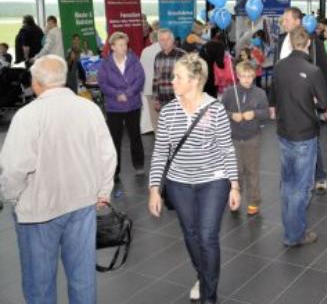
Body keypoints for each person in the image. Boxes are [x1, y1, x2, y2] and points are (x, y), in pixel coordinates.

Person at [0, 55, 116, 304]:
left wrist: (13, 197)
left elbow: (14, 168)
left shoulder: (27, 116)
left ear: (37, 82)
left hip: (38, 211)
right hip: (82, 205)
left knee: (39, 284)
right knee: (83, 279)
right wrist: (103, 191)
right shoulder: (89, 108)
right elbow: (107, 155)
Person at [148, 53, 240, 304]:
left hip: (213, 180)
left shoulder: (216, 109)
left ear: (195, 80)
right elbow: (160, 152)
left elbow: (226, 148)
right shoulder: (168, 112)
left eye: (178, 76)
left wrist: (234, 185)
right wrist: (154, 189)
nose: (172, 81)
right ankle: (203, 274)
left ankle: (210, 296)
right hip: (179, 183)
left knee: (207, 236)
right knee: (190, 233)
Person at [270, 27, 327, 247]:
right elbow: (324, 103)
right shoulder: (312, 71)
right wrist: (314, 100)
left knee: (287, 183)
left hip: (284, 132)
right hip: (305, 134)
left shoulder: (278, 67)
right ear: (307, 44)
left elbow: (273, 96)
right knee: (302, 187)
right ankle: (295, 235)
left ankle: (290, 228)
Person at [273, 6, 327, 193]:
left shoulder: (313, 41)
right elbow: (276, 74)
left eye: (286, 19)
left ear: (298, 21)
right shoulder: (281, 40)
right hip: (285, 99)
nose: (283, 23)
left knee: (311, 138)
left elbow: (323, 70)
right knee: (286, 139)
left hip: (308, 96)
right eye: (283, 20)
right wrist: (272, 102)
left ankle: (319, 175)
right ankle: (289, 178)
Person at [221, 61, 270, 216]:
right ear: (238, 76)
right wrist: (231, 115)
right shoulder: (229, 93)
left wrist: (254, 114)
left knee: (252, 171)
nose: (247, 79)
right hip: (233, 138)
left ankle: (254, 202)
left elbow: (266, 113)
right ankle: (235, 196)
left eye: (250, 76)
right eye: (244, 76)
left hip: (252, 138)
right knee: (235, 171)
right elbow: (221, 112)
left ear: (254, 76)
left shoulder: (260, 94)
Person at [98, 31, 146, 180]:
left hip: (133, 105)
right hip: (114, 107)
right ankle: (115, 170)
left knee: (135, 136)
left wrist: (129, 93)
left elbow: (140, 79)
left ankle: (139, 165)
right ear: (112, 47)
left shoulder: (134, 60)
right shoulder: (105, 64)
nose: (124, 47)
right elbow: (103, 84)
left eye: (125, 44)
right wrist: (117, 94)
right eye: (120, 45)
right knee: (115, 139)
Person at [140, 31, 161, 133]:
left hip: (149, 86)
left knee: (153, 115)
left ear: (151, 39)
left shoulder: (145, 51)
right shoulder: (164, 49)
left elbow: (141, 69)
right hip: (163, 86)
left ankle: (158, 136)